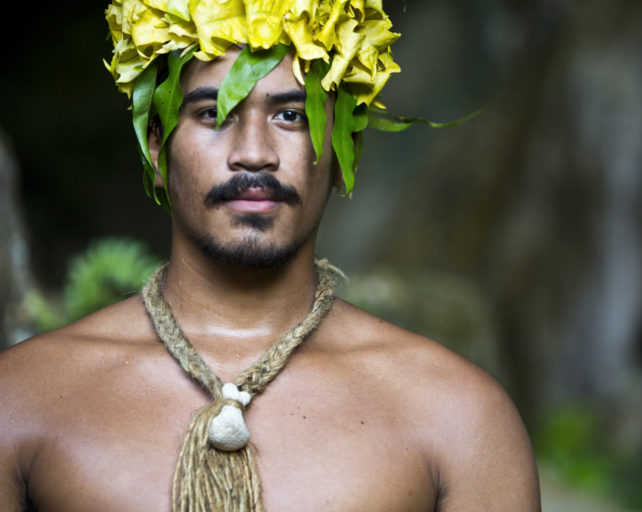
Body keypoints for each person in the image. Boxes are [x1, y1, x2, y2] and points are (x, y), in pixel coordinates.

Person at [0, 1, 540, 510]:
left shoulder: (458, 416)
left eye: (292, 116)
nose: (253, 153)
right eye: (213, 113)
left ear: (344, 149)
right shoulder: (22, 400)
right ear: (157, 150)